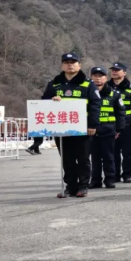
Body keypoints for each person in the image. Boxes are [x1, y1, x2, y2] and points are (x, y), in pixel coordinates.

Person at [42, 52, 101, 198]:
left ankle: (83, 186)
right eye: (66, 62)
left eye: (73, 62)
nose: (70, 65)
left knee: (83, 159)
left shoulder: (88, 84)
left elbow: (95, 105)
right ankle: (70, 186)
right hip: (62, 128)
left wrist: (92, 125)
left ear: (79, 65)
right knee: (67, 159)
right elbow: (43, 103)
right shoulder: (54, 84)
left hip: (83, 128)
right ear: (62, 65)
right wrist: (52, 100)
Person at [89, 66, 126, 189]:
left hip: (108, 130)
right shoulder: (87, 92)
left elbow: (120, 112)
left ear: (105, 78)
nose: (98, 79)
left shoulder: (114, 94)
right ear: (91, 77)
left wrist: (119, 129)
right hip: (91, 131)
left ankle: (110, 179)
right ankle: (95, 180)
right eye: (95, 76)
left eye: (101, 76)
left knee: (109, 157)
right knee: (95, 158)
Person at [107, 62, 131, 183]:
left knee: (128, 151)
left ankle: (127, 174)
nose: (114, 72)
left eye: (117, 70)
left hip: (127, 123)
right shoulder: (107, 87)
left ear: (124, 73)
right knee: (113, 150)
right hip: (111, 122)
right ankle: (115, 174)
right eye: (113, 70)